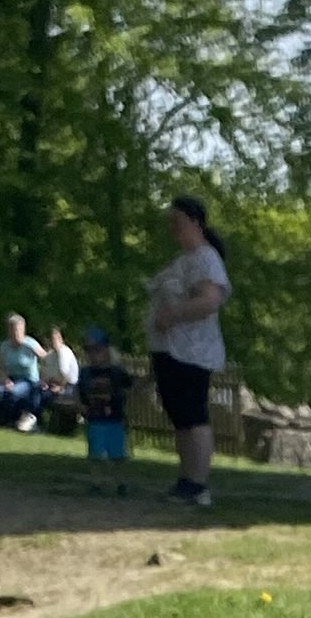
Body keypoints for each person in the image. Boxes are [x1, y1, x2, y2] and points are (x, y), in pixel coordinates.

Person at [143, 191, 228, 506]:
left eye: (177, 221)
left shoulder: (206, 258)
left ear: (195, 222)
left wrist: (173, 315)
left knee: (193, 416)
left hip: (192, 352)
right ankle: (185, 478)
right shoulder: (183, 261)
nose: (172, 228)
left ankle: (198, 483)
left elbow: (209, 301)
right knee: (180, 417)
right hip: (171, 349)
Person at [78, 324, 133, 484]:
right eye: (88, 350)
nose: (93, 355)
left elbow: (131, 385)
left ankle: (121, 482)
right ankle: (96, 481)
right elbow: (78, 391)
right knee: (96, 454)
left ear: (107, 350)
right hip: (94, 419)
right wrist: (79, 405)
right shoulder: (86, 373)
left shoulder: (116, 372)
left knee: (118, 455)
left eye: (97, 350)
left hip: (115, 419)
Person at [0, 312, 44, 431]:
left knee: (13, 393)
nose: (15, 333)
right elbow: (1, 368)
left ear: (23, 330)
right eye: (12, 330)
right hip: (11, 378)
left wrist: (45, 378)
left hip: (28, 381)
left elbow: (46, 358)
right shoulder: (5, 346)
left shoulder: (30, 344)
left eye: (18, 330)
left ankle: (14, 421)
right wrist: (6, 380)